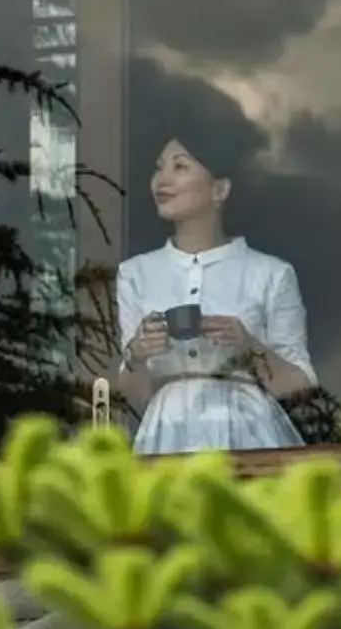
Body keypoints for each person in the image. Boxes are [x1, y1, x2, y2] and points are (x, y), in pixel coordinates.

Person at [113, 131, 317, 453]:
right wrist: (137, 353)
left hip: (249, 430)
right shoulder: (135, 274)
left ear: (220, 189)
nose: (162, 179)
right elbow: (133, 394)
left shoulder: (271, 274)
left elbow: (301, 386)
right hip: (168, 432)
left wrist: (249, 347)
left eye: (180, 167)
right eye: (159, 167)